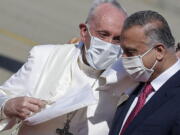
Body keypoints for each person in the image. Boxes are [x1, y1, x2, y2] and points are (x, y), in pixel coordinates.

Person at [0, 0, 128, 135]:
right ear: (84, 31)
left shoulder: (124, 78)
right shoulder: (45, 57)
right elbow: (3, 95)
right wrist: (7, 106)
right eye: (103, 34)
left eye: (117, 39)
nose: (109, 44)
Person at [109, 10, 180, 135]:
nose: (123, 58)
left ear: (159, 51)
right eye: (123, 51)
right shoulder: (138, 80)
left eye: (130, 52)